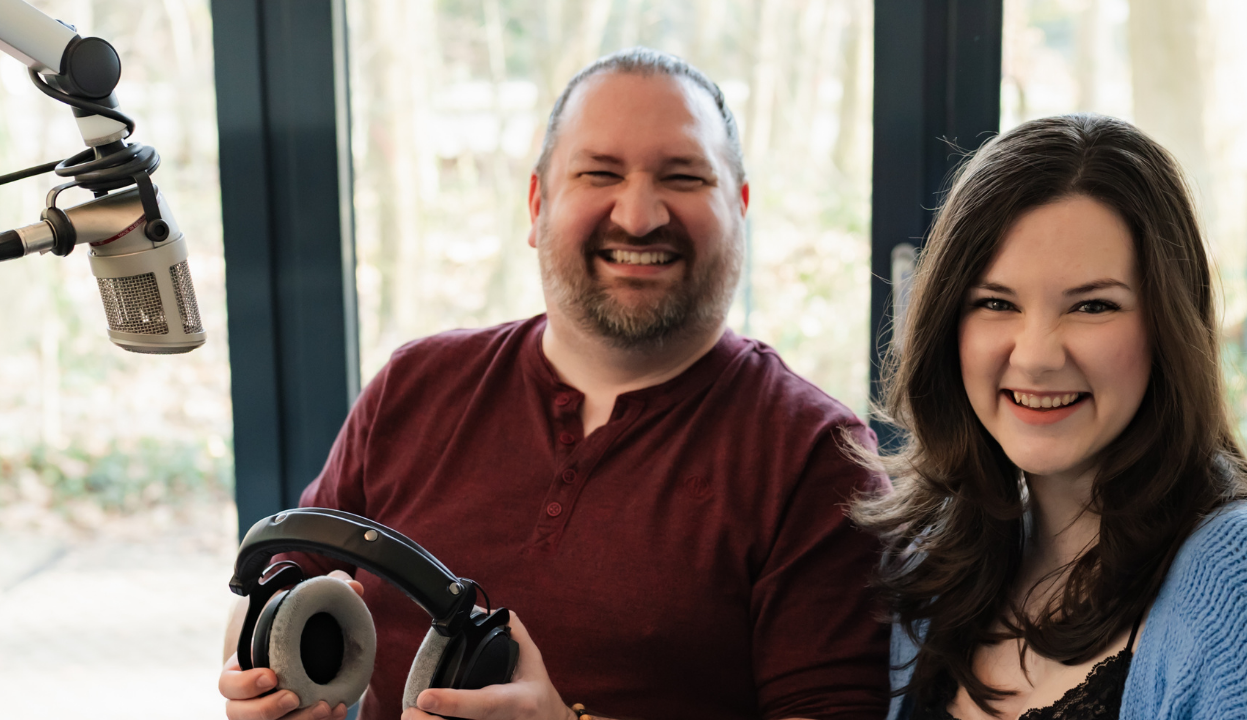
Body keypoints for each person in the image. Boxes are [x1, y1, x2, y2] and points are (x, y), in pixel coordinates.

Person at [217, 47, 889, 720]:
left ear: (739, 208)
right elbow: (287, 578)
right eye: (599, 172)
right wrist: (255, 671)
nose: (638, 215)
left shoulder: (816, 455)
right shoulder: (414, 385)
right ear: (538, 205)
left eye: (684, 177)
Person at [853, 114, 1247, 719]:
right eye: (995, 302)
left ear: (1168, 327)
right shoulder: (937, 559)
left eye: (1093, 305)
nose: (1036, 356)